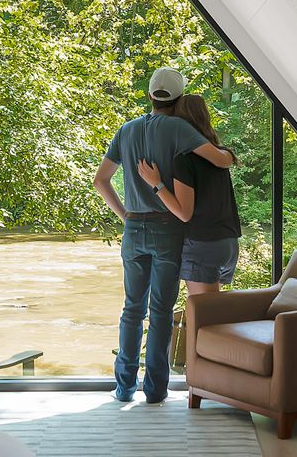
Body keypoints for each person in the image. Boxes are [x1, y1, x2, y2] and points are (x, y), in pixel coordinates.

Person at [93, 67, 236, 404]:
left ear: (150, 95)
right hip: (167, 227)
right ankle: (155, 390)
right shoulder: (179, 128)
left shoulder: (126, 130)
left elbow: (101, 180)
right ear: (178, 97)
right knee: (160, 310)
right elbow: (221, 160)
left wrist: (125, 214)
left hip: (133, 229)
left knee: (132, 309)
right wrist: (228, 154)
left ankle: (124, 387)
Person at [134, 93, 240, 298]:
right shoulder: (219, 156)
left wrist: (156, 184)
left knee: (203, 315)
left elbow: (184, 213)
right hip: (228, 242)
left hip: (203, 244)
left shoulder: (184, 160)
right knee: (216, 312)